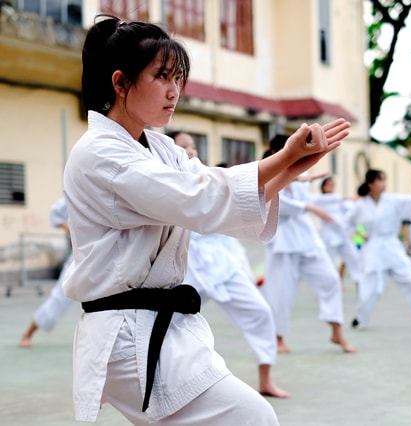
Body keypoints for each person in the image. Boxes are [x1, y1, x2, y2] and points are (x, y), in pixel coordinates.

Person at [62, 15, 349, 425]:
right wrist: (283, 158)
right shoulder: (100, 154)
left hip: (159, 332)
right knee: (254, 418)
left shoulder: (161, 149)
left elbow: (212, 188)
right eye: (161, 76)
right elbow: (199, 197)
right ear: (120, 82)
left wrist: (291, 169)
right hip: (128, 334)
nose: (174, 90)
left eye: (178, 78)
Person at [171, 132, 290, 398]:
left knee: (260, 312)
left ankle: (266, 380)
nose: (190, 149)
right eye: (183, 145)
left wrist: (288, 167)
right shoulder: (166, 180)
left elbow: (241, 195)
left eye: (192, 145)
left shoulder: (208, 176)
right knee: (168, 324)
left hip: (222, 261)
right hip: (186, 264)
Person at [260, 134, 355, 355]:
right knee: (281, 292)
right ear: (275, 152)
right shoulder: (265, 172)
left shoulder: (301, 173)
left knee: (330, 280)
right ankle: (278, 337)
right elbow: (274, 203)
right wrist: (308, 208)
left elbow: (308, 196)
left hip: (307, 238)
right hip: (281, 239)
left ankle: (336, 330)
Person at [344, 169, 411, 329]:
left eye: (384, 180)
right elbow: (347, 224)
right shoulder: (360, 205)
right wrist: (359, 235)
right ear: (370, 183)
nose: (384, 184)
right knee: (372, 289)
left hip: (392, 246)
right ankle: (360, 318)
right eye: (380, 180)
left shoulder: (393, 200)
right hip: (373, 249)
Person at [19, 197, 74, 348]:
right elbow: (55, 214)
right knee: (60, 296)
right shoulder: (76, 187)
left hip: (108, 255)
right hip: (80, 254)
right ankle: (28, 334)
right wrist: (69, 229)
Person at [310, 176, 361, 283]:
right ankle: (328, 283)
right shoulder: (320, 200)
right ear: (323, 187)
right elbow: (334, 200)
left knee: (354, 257)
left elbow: (348, 210)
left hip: (343, 235)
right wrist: (351, 198)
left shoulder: (339, 201)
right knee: (329, 262)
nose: (330, 187)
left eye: (332, 185)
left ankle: (359, 281)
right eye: (328, 185)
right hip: (330, 236)